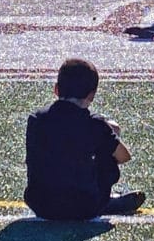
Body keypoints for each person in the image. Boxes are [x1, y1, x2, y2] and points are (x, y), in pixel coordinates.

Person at [24, 58, 145, 219]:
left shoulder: (35, 119)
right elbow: (124, 157)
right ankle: (105, 201)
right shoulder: (95, 125)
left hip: (41, 204)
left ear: (56, 89)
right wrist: (110, 131)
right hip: (85, 206)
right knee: (107, 154)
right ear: (92, 95)